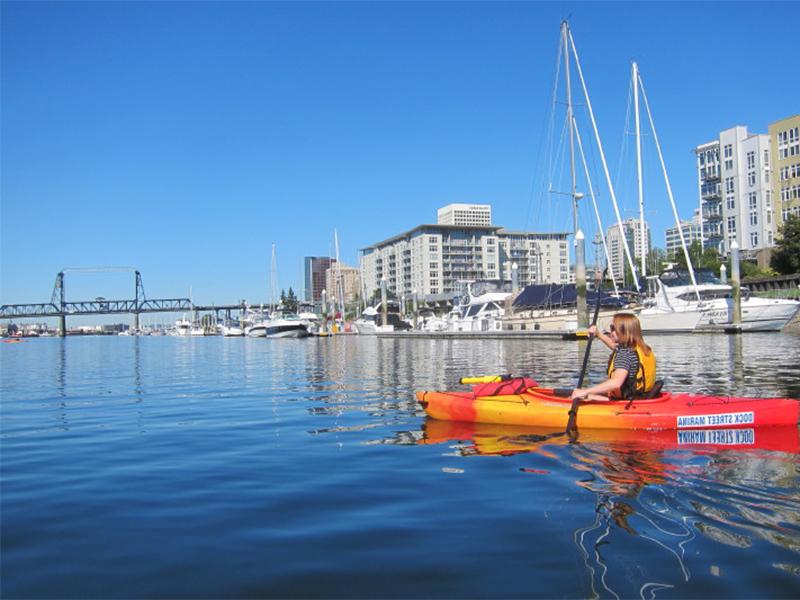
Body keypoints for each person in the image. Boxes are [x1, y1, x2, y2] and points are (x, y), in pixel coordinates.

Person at [570, 312, 656, 402]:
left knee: (580, 396)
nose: (610, 331)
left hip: (626, 402)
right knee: (586, 394)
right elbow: (614, 347)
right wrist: (599, 334)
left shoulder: (625, 354)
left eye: (613, 328)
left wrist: (585, 392)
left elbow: (616, 383)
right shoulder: (640, 348)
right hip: (642, 397)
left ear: (624, 332)